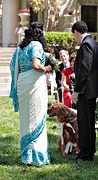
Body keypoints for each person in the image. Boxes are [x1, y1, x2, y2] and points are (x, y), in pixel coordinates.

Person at [10, 22, 51, 167]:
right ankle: (36, 157)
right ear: (40, 32)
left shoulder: (21, 48)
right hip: (34, 84)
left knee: (26, 119)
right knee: (37, 117)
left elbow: (14, 66)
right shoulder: (36, 45)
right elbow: (36, 65)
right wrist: (46, 68)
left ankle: (26, 156)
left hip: (22, 83)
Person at [71, 21, 98, 163]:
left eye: (74, 35)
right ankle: (89, 152)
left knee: (84, 124)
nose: (75, 38)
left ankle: (85, 155)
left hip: (86, 91)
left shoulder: (86, 44)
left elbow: (84, 70)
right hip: (91, 90)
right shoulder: (94, 43)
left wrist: (77, 91)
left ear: (77, 32)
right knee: (88, 123)